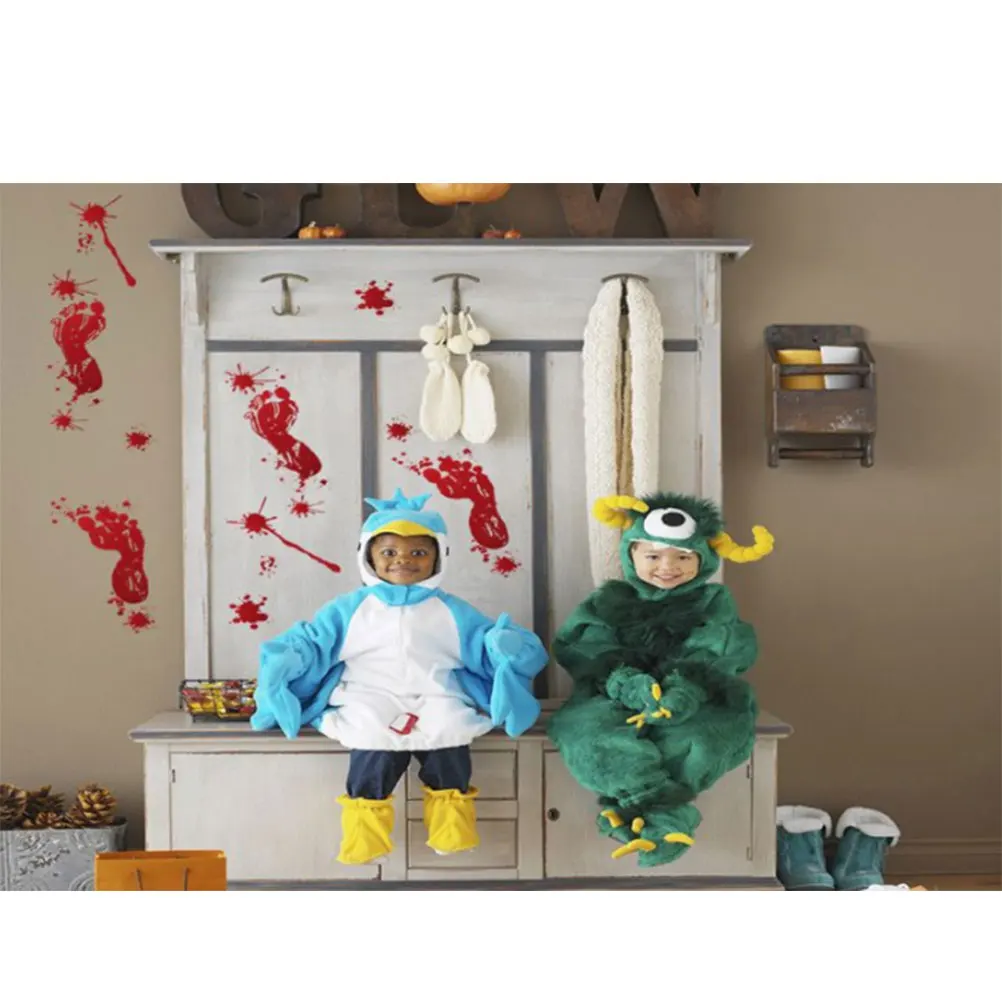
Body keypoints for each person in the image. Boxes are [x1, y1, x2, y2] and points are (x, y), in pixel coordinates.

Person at [251, 488, 548, 865]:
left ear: (439, 557)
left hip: (437, 694)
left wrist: (502, 645)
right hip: (367, 695)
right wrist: (290, 656)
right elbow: (314, 642)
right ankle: (365, 835)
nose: (403, 560)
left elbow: (481, 643)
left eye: (418, 552)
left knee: (449, 736)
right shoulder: (350, 609)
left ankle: (451, 828)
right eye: (389, 552)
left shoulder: (452, 611)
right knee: (370, 742)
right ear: (367, 556)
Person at [546, 491, 774, 867]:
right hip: (614, 693)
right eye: (653, 556)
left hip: (697, 694)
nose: (667, 567)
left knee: (696, 739)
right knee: (585, 734)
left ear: (703, 559)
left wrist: (684, 689)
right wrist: (624, 682)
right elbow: (586, 648)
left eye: (683, 556)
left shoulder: (713, 602)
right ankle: (660, 814)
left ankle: (635, 817)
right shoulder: (607, 601)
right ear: (631, 554)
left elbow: (720, 647)